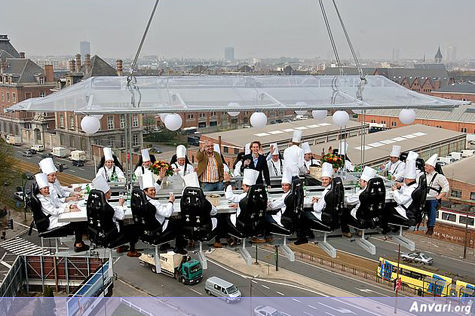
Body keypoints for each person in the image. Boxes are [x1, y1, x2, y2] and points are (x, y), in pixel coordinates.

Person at [34, 173, 89, 252]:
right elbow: (54, 211)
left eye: (47, 188)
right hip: (52, 221)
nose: (47, 190)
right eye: (44, 189)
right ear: (39, 190)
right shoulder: (41, 199)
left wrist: (70, 207)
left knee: (77, 217)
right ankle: (78, 244)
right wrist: (68, 209)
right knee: (77, 221)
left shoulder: (46, 195)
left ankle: (82, 238)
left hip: (55, 216)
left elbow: (57, 204)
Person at [91, 176, 141, 257]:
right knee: (134, 228)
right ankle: (132, 251)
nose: (111, 193)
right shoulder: (107, 207)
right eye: (109, 192)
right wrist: (121, 204)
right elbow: (121, 216)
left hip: (101, 233)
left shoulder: (96, 204)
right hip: (112, 234)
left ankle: (120, 247)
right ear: (106, 194)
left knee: (121, 223)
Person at [141, 172, 186, 254]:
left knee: (171, 220)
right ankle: (179, 247)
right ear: (145, 191)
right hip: (158, 228)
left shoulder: (141, 199)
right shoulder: (154, 203)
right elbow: (167, 213)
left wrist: (160, 178)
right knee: (179, 222)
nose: (154, 192)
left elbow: (155, 188)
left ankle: (165, 245)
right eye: (151, 190)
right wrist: (170, 201)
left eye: (154, 190)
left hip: (148, 228)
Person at [223, 169, 261, 241]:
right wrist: (239, 205)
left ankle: (228, 238)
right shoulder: (257, 195)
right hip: (252, 224)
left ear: (248, 187)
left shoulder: (244, 196)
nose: (242, 187)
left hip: (242, 223)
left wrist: (227, 182)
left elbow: (230, 197)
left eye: (243, 185)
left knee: (224, 217)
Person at [382, 158, 418, 233]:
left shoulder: (411, 189)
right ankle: (392, 227)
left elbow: (400, 200)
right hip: (408, 209)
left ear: (409, 179)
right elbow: (405, 191)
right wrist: (400, 187)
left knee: (384, 207)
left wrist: (395, 190)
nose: (404, 181)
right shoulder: (414, 186)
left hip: (404, 211)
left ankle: (385, 228)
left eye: (405, 179)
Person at [344, 166, 377, 237]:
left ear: (366, 182)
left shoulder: (361, 193)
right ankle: (360, 231)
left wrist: (344, 198)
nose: (359, 182)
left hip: (360, 216)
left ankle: (346, 231)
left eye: (361, 181)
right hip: (370, 216)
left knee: (344, 211)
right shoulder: (375, 191)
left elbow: (349, 201)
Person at [424, 154, 449, 236]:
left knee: (432, 205)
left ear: (432, 167)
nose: (425, 167)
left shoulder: (439, 177)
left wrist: (438, 197)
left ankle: (430, 227)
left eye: (426, 166)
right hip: (423, 196)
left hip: (432, 198)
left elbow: (446, 187)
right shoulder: (423, 175)